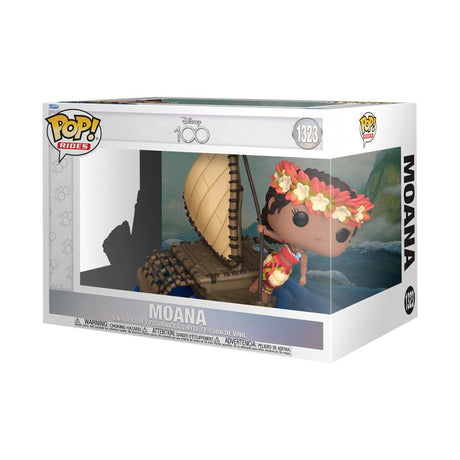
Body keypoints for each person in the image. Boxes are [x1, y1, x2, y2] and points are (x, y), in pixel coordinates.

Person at [249, 160, 374, 304]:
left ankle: (264, 292)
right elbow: (277, 236)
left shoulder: (302, 254)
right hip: (275, 260)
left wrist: (303, 276)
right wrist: (265, 231)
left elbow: (303, 266)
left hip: (283, 269)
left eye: (342, 234)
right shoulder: (289, 244)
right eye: (300, 218)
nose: (318, 235)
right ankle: (256, 288)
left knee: (272, 282)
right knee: (264, 274)